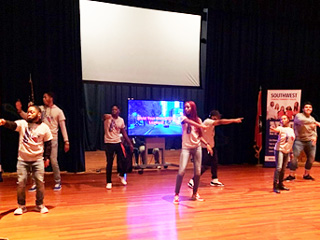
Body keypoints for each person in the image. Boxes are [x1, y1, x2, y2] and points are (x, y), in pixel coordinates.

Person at [0, 105, 52, 215]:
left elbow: (48, 144)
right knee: (21, 182)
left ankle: (40, 205)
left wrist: (47, 158)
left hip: (38, 160)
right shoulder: (23, 124)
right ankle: (21, 206)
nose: (28, 114)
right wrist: (4, 122)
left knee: (40, 183)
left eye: (32, 112)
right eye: (28, 112)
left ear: (38, 114)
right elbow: (13, 125)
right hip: (23, 160)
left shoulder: (44, 128)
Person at [16, 92, 69, 191]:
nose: (43, 99)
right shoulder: (40, 109)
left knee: (53, 161)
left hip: (52, 138)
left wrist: (66, 141)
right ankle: (35, 183)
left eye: (45, 97)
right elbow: (29, 117)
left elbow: (63, 127)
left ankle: (58, 181)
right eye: (43, 97)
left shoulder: (58, 111)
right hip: (39, 138)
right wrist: (21, 111)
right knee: (36, 160)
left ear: (51, 98)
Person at [188, 110, 243, 188]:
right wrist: (234, 120)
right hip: (204, 147)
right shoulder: (208, 121)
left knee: (214, 162)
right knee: (205, 166)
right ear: (213, 117)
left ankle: (214, 179)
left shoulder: (211, 124)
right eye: (218, 117)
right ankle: (192, 180)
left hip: (211, 147)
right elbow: (221, 122)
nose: (219, 118)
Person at [173, 101, 213, 205]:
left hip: (197, 147)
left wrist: (207, 144)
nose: (186, 109)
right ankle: (176, 194)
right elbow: (188, 122)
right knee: (181, 171)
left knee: (197, 172)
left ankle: (195, 194)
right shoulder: (183, 118)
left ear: (193, 108)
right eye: (185, 107)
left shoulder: (198, 120)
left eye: (188, 107)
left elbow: (199, 136)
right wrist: (202, 126)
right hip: (186, 148)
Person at [284, 101, 317, 181]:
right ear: (303, 109)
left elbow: (314, 130)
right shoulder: (299, 116)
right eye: (306, 107)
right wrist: (315, 123)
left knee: (311, 158)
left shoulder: (312, 118)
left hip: (309, 140)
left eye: (310, 107)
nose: (308, 109)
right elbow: (302, 121)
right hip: (299, 140)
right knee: (294, 158)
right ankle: (291, 175)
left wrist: (315, 136)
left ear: (311, 109)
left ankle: (306, 174)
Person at [104, 105, 133, 190]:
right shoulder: (107, 118)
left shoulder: (121, 120)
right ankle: (109, 182)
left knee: (125, 159)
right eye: (113, 109)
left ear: (119, 111)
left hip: (118, 142)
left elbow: (124, 133)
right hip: (109, 143)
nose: (114, 111)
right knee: (109, 163)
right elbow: (103, 116)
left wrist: (130, 144)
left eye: (116, 109)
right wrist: (106, 116)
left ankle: (121, 175)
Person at [270, 115, 295, 193]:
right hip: (279, 150)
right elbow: (276, 130)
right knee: (279, 167)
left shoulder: (291, 130)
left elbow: (290, 142)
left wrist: (291, 152)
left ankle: (281, 184)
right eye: (281, 119)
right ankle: (275, 185)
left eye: (284, 118)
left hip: (287, 151)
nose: (283, 120)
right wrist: (273, 129)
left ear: (288, 120)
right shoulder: (280, 128)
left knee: (284, 169)